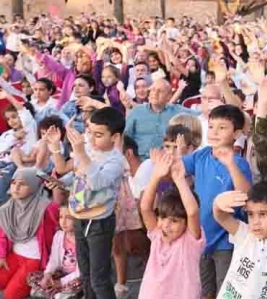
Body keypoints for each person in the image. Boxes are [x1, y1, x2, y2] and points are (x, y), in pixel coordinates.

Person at [181, 104, 253, 299]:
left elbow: (247, 196)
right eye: (211, 126)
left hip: (227, 241)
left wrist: (230, 164)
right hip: (203, 237)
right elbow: (178, 168)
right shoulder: (201, 155)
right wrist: (176, 154)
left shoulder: (239, 163)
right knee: (206, 290)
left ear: (236, 133)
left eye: (222, 128)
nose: (214, 132)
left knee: (227, 291)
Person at [55, 107, 126, 299]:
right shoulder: (86, 150)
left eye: (99, 135)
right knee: (85, 274)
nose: (92, 139)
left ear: (115, 137)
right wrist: (59, 179)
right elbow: (71, 172)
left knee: (99, 277)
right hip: (79, 216)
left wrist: (81, 152)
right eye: (90, 132)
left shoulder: (116, 160)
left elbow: (96, 182)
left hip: (99, 222)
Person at [212, 181, 267, 299]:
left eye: (262, 214)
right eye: (251, 214)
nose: (255, 221)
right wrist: (218, 203)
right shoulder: (244, 234)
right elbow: (221, 217)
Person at [138, 149, 204, 299]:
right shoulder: (157, 236)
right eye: (162, 217)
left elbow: (192, 211)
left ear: (187, 224)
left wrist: (179, 179)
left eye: (174, 221)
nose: (166, 225)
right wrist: (155, 176)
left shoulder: (189, 242)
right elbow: (145, 208)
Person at [0, 168, 59, 299]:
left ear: (33, 186)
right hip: (14, 255)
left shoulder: (47, 208)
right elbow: (2, 234)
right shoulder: (7, 208)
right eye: (14, 183)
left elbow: (58, 231)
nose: (16, 187)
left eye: (23, 184)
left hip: (35, 259)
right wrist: (2, 256)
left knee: (10, 294)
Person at [124, 78, 198, 159]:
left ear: (169, 96)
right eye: (152, 90)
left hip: (167, 160)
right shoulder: (137, 111)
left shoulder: (177, 110)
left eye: (160, 91)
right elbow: (125, 136)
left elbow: (202, 115)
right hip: (140, 159)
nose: (155, 93)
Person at [27, 206, 83, 299]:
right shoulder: (59, 235)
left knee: (77, 283)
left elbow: (80, 271)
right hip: (61, 272)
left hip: (74, 277)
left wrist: (61, 282)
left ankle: (58, 293)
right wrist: (47, 274)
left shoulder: (82, 240)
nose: (63, 222)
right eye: (61, 217)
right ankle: (56, 292)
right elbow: (54, 260)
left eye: (68, 218)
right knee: (32, 277)